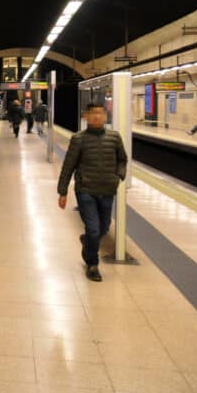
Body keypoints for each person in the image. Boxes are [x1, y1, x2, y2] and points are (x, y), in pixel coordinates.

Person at [57, 103, 127, 282]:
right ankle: (92, 264)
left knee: (103, 228)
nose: (96, 116)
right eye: (92, 113)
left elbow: (122, 159)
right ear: (86, 116)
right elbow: (68, 165)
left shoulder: (114, 137)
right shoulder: (78, 138)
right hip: (85, 190)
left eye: (100, 113)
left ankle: (87, 242)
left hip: (107, 190)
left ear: (105, 116)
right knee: (94, 229)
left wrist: (118, 176)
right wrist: (62, 191)